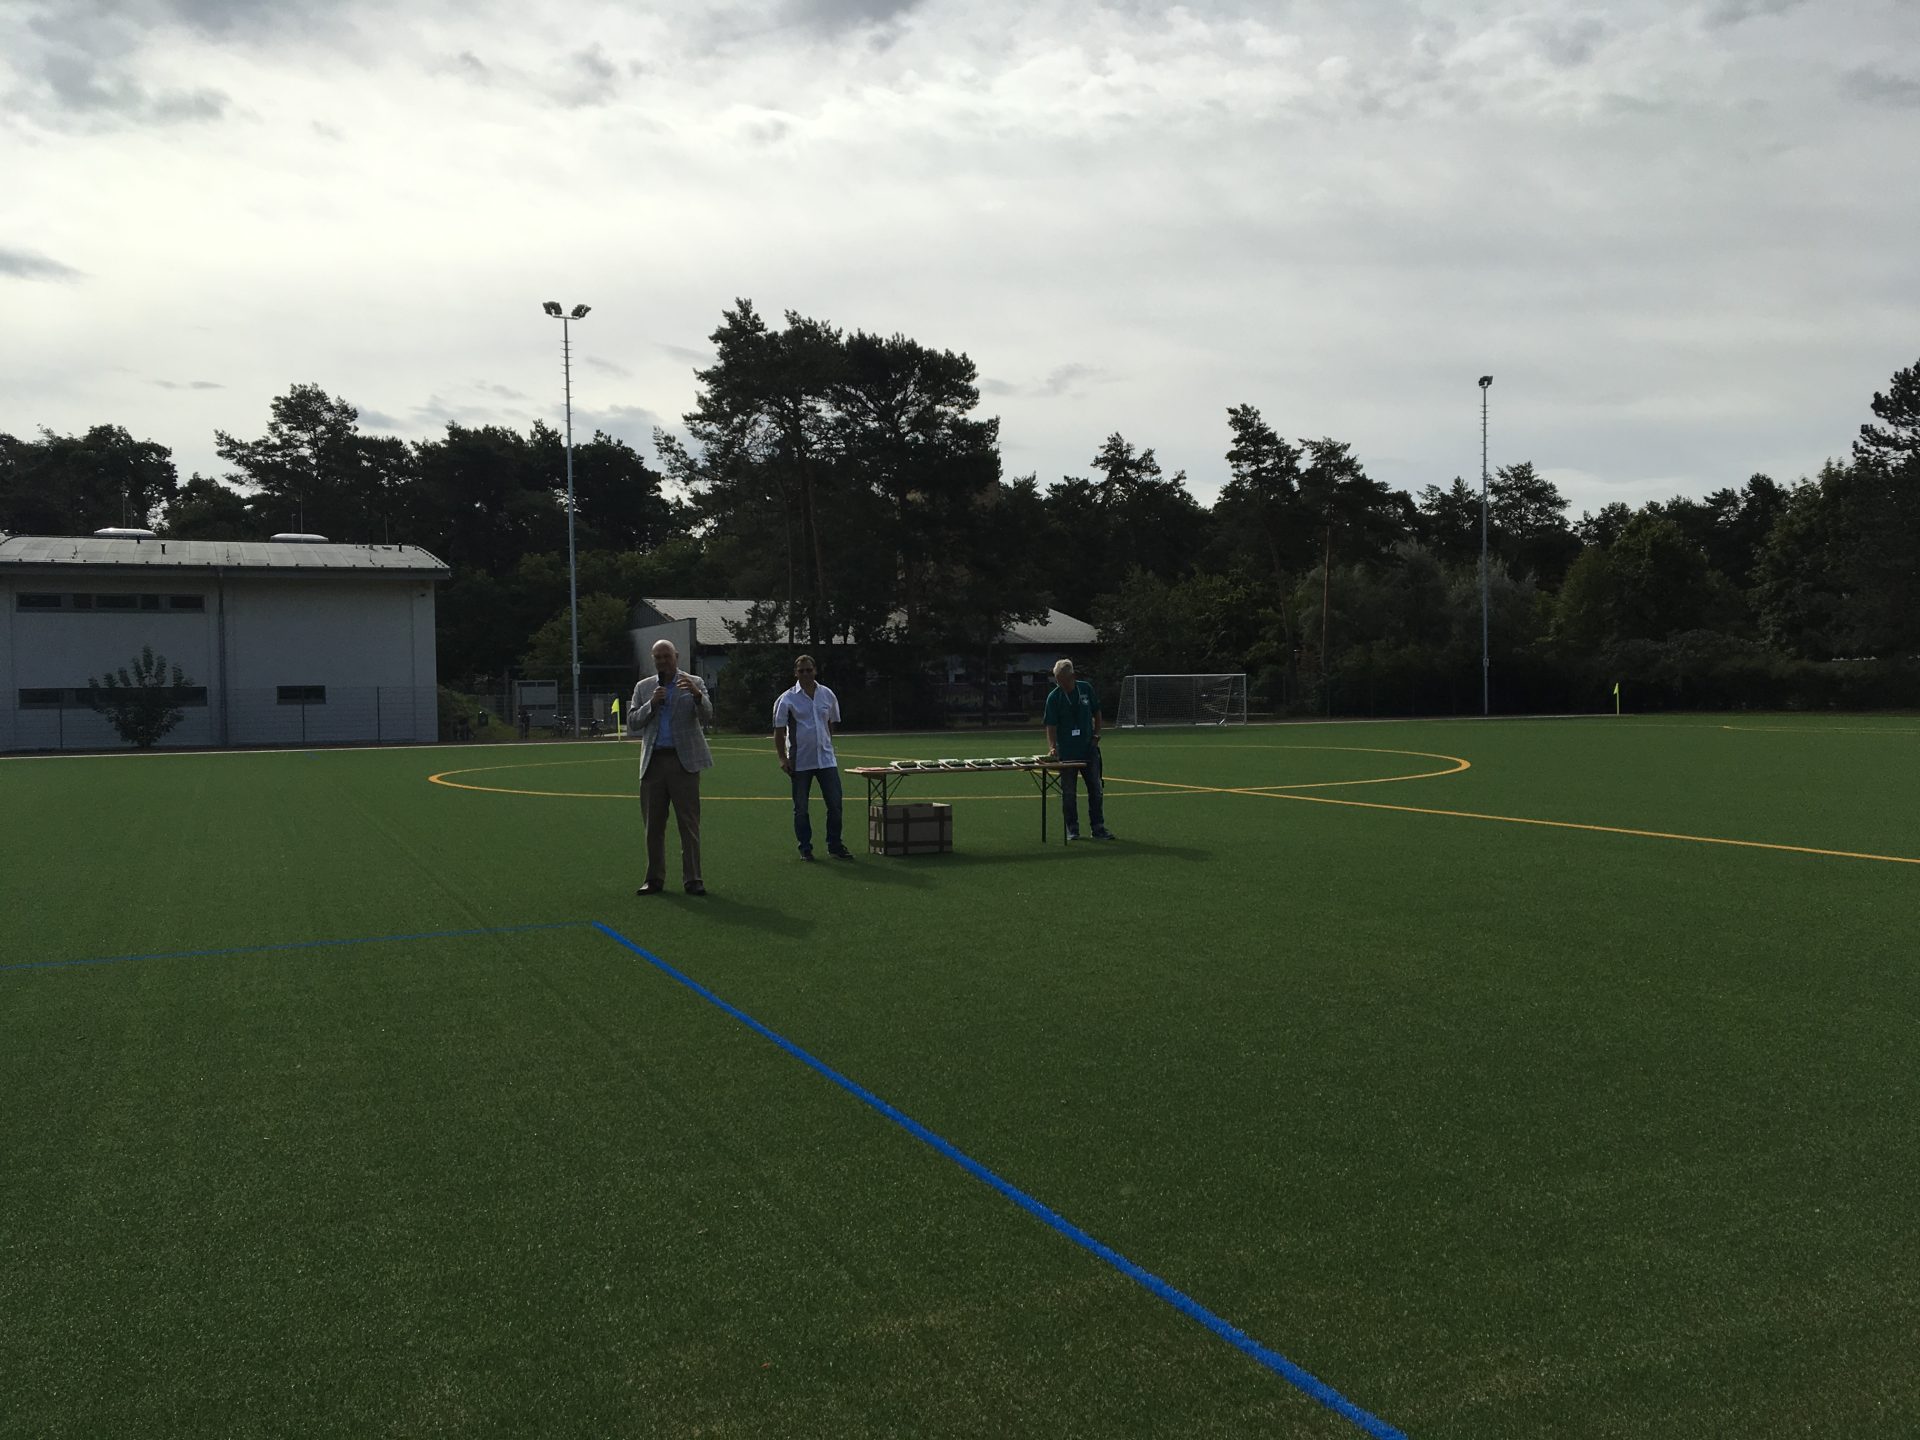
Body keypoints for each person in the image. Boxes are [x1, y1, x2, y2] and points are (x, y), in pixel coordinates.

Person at [629, 639, 715, 895]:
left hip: (683, 762)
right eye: (658, 657)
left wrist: (697, 696)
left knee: (688, 824)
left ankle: (693, 879)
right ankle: (654, 878)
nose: (662, 661)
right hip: (653, 762)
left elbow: (708, 715)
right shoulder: (644, 687)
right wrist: (652, 704)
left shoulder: (693, 682)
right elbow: (633, 722)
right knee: (653, 826)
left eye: (666, 656)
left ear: (676, 656)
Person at [772, 653, 850, 861]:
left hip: (826, 759)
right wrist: (782, 758)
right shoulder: (787, 698)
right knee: (801, 808)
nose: (805, 674)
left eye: (809, 670)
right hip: (800, 761)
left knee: (835, 804)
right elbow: (779, 731)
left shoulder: (827, 694)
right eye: (801, 671)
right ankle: (805, 848)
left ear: (815, 670)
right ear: (795, 673)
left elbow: (831, 723)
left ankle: (835, 845)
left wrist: (826, 743)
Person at [1043, 658, 1115, 841]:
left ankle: (1098, 828)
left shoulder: (1086, 689)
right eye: (1058, 681)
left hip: (1088, 749)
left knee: (1096, 789)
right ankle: (1072, 829)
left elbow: (1097, 711)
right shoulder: (1054, 697)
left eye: (1064, 681)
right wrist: (1052, 747)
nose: (1061, 684)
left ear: (1073, 676)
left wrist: (1096, 734)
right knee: (1068, 793)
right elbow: (1050, 725)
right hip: (1066, 752)